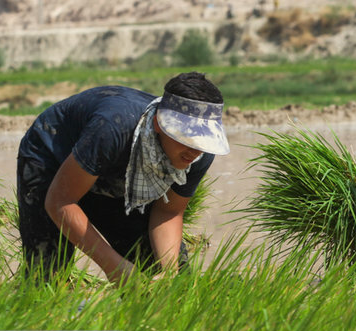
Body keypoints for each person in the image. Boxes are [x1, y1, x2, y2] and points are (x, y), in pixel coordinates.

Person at [16, 72, 229, 282]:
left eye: (202, 140)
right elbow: (60, 201)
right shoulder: (112, 128)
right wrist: (114, 267)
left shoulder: (198, 155)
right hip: (53, 157)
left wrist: (169, 272)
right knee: (45, 276)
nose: (195, 149)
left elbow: (169, 211)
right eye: (187, 137)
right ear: (159, 123)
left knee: (168, 280)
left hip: (117, 175)